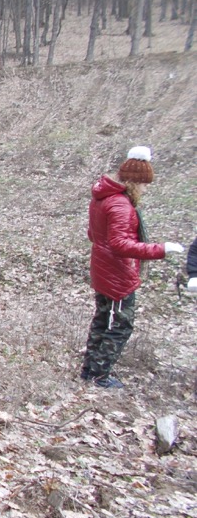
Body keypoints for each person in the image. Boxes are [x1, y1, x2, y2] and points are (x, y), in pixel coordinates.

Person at [80, 146, 183, 388]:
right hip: (116, 273)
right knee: (120, 325)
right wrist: (160, 249)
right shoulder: (120, 205)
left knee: (103, 319)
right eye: (144, 184)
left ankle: (90, 370)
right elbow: (119, 244)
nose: (146, 189)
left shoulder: (102, 198)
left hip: (103, 267)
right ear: (135, 182)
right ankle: (99, 375)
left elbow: (93, 234)